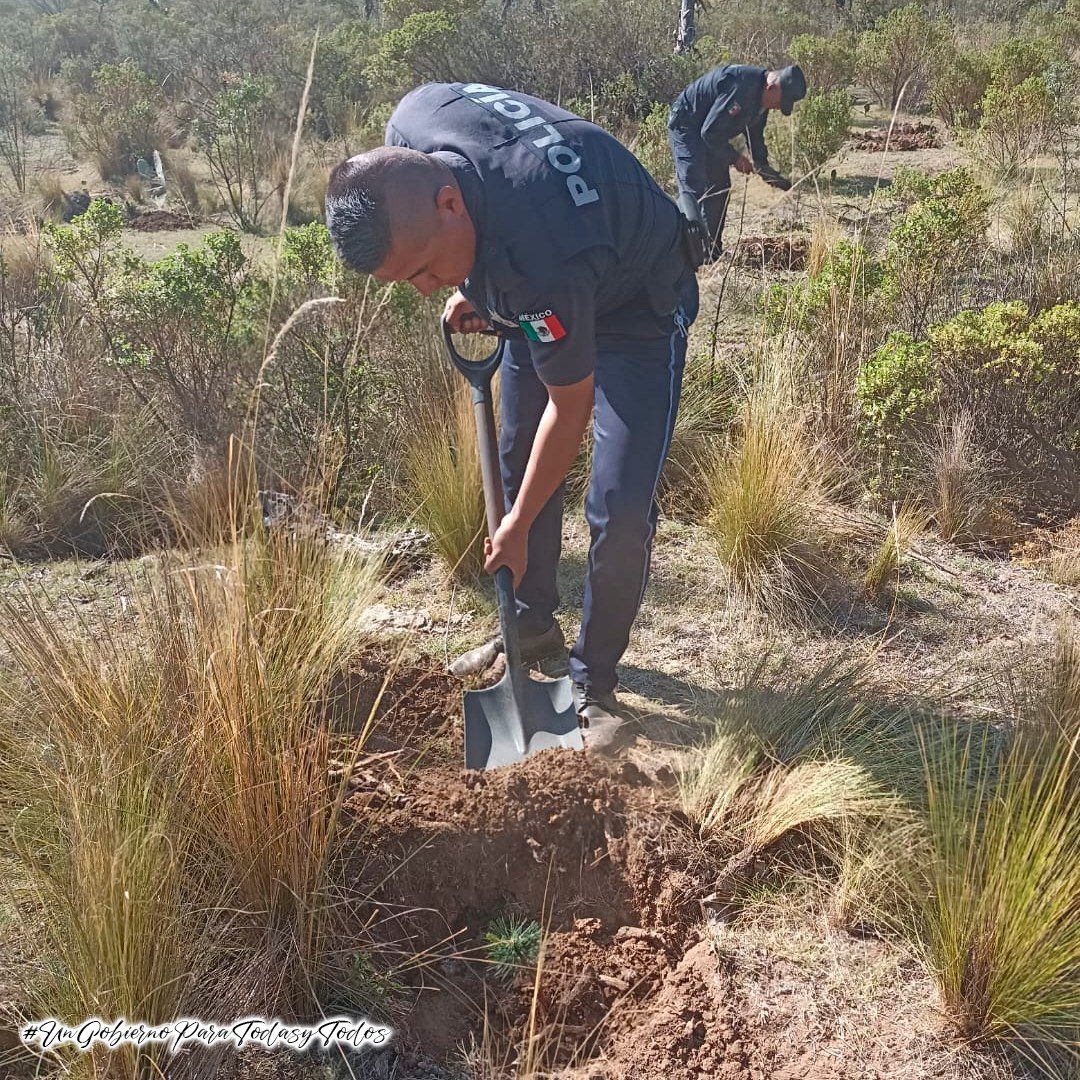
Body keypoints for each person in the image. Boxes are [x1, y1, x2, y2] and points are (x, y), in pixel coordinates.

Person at [325, 82, 699, 752]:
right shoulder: (413, 125)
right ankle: (528, 627)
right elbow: (471, 257)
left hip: (635, 302)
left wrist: (518, 526)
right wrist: (470, 284)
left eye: (425, 270)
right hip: (543, 273)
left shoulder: (540, 259)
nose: (425, 289)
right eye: (408, 279)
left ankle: (592, 681)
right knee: (518, 451)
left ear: (449, 205)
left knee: (620, 504)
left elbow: (571, 405)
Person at [668, 64, 807, 260]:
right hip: (687, 123)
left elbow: (755, 136)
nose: (778, 107)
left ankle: (710, 252)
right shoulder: (740, 86)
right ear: (772, 87)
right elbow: (709, 132)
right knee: (694, 182)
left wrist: (764, 168)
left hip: (710, 133)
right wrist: (735, 158)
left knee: (720, 187)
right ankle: (679, 253)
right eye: (781, 101)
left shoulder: (763, 102)